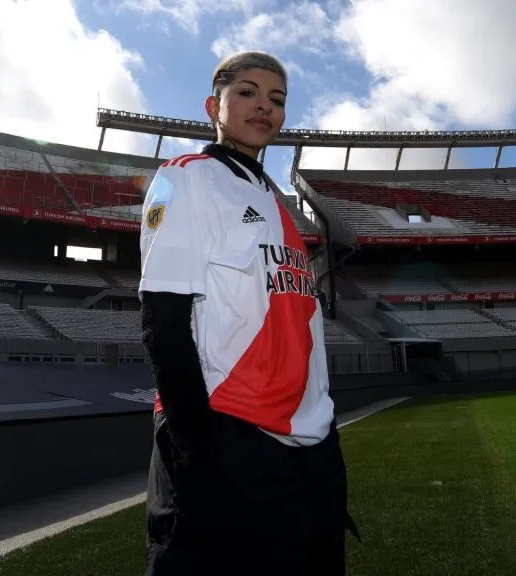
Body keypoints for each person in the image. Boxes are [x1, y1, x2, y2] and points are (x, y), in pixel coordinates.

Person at [138, 51, 357, 576]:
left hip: (312, 447)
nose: (264, 106)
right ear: (215, 105)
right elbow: (162, 322)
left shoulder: (276, 201)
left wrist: (324, 429)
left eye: (276, 99)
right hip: (230, 434)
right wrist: (199, 447)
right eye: (248, 93)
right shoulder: (183, 179)